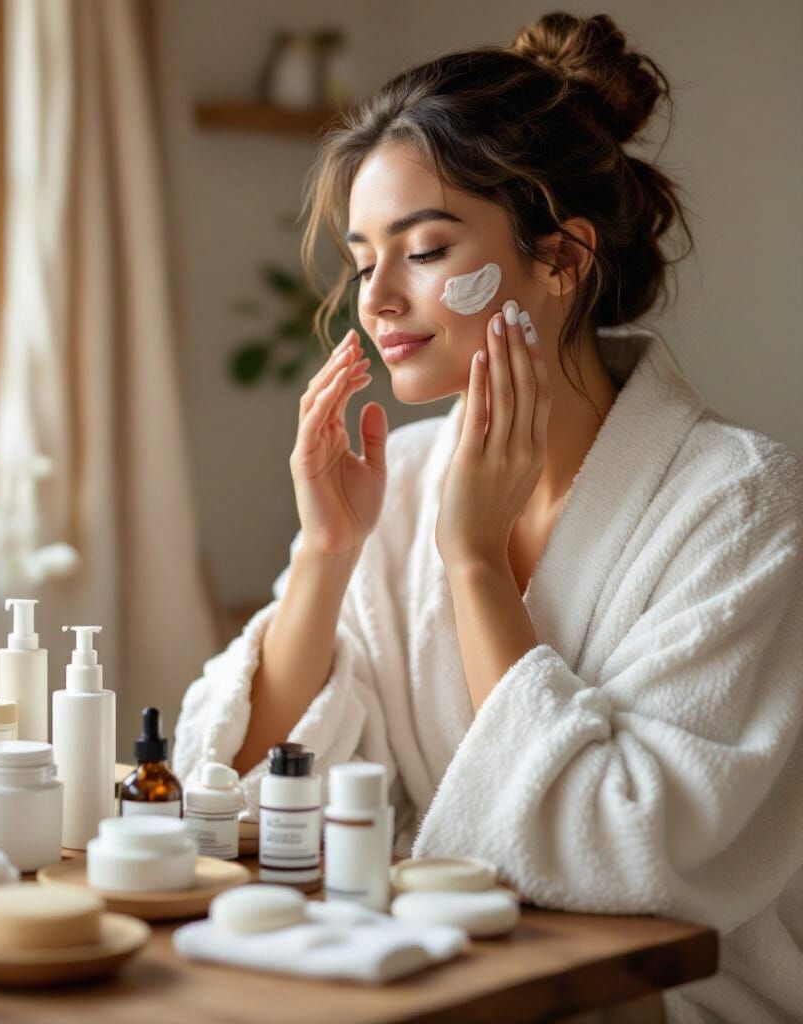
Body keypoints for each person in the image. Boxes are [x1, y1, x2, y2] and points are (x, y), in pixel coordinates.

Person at [173, 12, 803, 1023]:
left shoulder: (737, 504)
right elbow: (238, 789)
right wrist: (326, 556)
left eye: (423, 249)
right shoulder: (401, 481)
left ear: (559, 259)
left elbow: (623, 852)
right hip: (442, 978)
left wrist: (472, 562)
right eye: (361, 256)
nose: (374, 298)